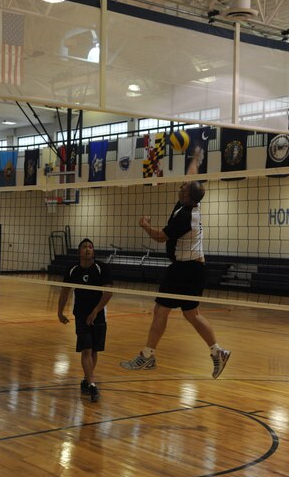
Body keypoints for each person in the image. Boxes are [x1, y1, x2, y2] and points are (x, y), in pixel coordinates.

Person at [120, 152, 230, 379]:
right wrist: (196, 157)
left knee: (162, 310)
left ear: (188, 195)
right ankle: (217, 351)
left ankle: (148, 355)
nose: (179, 187)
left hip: (186, 270)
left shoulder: (186, 216)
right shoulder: (186, 204)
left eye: (183, 187)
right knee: (191, 314)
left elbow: (160, 237)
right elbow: (191, 178)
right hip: (191, 268)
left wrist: (144, 226)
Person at [58, 238, 113, 402]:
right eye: (84, 247)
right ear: (79, 252)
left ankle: (86, 379)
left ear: (93, 251)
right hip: (81, 315)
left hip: (99, 314)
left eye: (90, 247)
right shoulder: (73, 270)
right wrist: (59, 312)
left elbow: (108, 293)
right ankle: (92, 385)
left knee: (94, 350)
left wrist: (95, 311)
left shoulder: (102, 268)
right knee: (86, 349)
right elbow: (64, 292)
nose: (88, 249)